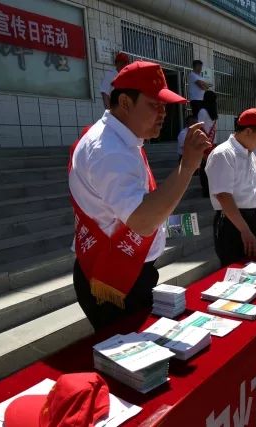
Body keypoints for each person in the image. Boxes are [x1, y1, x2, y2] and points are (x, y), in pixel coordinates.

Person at [69, 61, 210, 331]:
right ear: (124, 102)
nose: (163, 114)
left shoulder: (122, 139)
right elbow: (142, 221)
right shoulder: (109, 149)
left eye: (165, 106)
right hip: (115, 273)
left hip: (129, 267)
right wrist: (188, 165)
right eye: (154, 105)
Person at [205, 108, 256, 266]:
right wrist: (245, 231)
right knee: (238, 274)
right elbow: (224, 197)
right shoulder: (223, 154)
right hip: (234, 224)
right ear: (248, 131)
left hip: (254, 220)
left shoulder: (250, 155)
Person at [197, 90, 219, 197]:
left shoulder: (202, 111)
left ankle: (206, 190)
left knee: (204, 167)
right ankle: (211, 188)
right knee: (210, 167)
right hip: (213, 143)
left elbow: (200, 127)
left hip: (204, 142)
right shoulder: (213, 112)